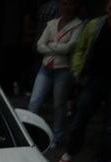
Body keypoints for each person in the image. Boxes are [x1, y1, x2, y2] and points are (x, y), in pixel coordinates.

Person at [58, 0, 111, 162]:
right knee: (80, 118)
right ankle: (71, 151)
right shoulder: (95, 25)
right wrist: (77, 70)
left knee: (109, 127)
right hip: (93, 79)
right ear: (106, 8)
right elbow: (80, 48)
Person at [28, 0, 84, 144]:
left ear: (75, 6)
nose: (67, 7)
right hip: (46, 67)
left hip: (63, 70)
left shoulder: (78, 25)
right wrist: (57, 46)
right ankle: (27, 132)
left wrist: (50, 45)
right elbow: (39, 45)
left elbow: (69, 48)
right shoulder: (52, 23)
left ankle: (56, 136)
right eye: (65, 4)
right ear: (60, 6)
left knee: (59, 105)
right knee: (34, 101)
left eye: (71, 4)